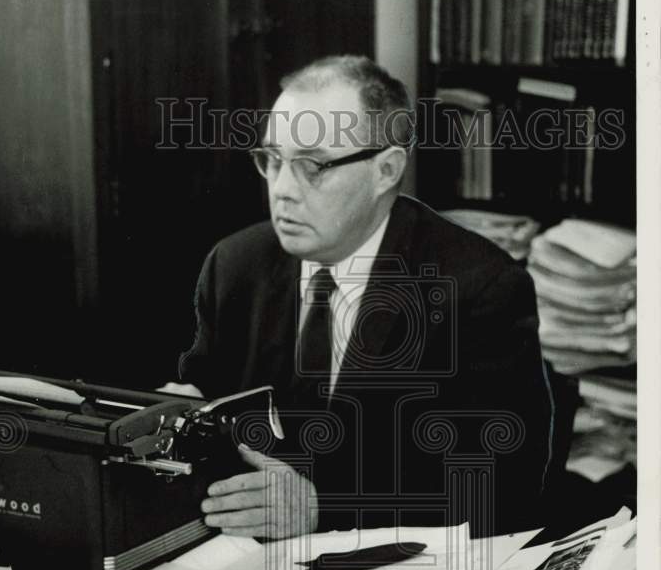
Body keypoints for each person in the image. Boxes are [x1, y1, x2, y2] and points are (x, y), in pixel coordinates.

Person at [169, 55, 553, 540]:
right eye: (273, 160)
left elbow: (501, 487)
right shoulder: (235, 265)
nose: (283, 191)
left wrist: (324, 509)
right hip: (245, 560)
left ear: (386, 170)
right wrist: (179, 419)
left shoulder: (479, 288)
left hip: (399, 569)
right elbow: (207, 401)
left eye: (313, 165)